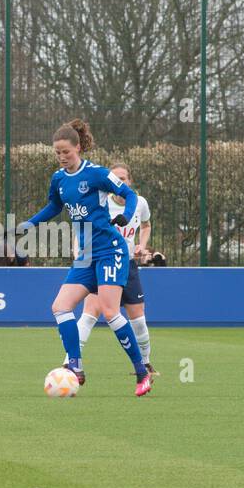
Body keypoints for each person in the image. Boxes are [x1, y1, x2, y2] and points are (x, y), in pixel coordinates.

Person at [18, 119, 152, 397]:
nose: (62, 157)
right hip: (86, 255)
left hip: (110, 250)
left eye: (66, 151)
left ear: (78, 147)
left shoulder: (97, 174)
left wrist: (126, 215)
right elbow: (54, 206)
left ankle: (142, 372)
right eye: (57, 153)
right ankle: (76, 368)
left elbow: (128, 194)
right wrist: (28, 225)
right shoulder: (58, 179)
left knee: (110, 311)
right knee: (60, 307)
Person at [75, 163, 156, 379]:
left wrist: (142, 245)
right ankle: (71, 362)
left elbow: (146, 225)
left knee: (138, 319)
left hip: (128, 265)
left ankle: (146, 363)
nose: (120, 181)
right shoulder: (101, 203)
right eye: (116, 178)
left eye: (124, 178)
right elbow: (84, 227)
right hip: (101, 261)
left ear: (129, 181)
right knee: (90, 312)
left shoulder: (139, 203)